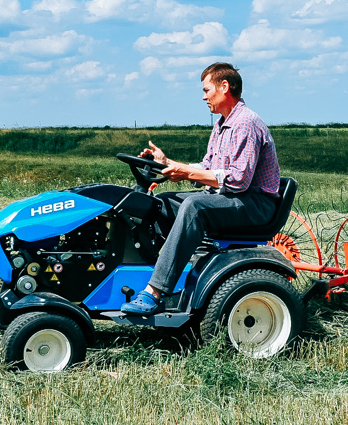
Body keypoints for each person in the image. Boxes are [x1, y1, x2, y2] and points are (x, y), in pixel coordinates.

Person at [120, 62, 281, 315]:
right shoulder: (221, 124)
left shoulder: (246, 123)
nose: (204, 96)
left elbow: (238, 181)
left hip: (255, 203)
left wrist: (186, 173)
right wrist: (167, 163)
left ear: (224, 87)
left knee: (194, 206)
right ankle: (148, 268)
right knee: (163, 202)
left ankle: (156, 291)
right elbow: (208, 167)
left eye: (207, 90)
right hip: (233, 197)